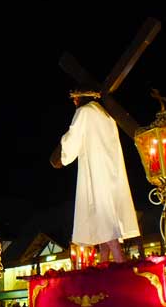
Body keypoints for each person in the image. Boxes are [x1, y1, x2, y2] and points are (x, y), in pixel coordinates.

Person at [50, 87, 140, 263]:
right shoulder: (106, 115)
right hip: (112, 172)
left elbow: (73, 138)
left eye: (75, 98)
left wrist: (61, 156)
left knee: (103, 215)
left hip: (96, 169)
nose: (74, 102)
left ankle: (121, 263)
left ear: (81, 97)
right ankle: (105, 261)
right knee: (103, 217)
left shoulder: (84, 112)